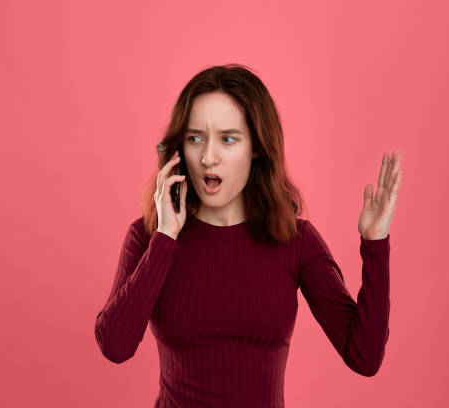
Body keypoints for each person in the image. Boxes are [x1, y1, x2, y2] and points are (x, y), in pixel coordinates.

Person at [94, 64, 403, 407]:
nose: (208, 158)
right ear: (179, 148)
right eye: (195, 138)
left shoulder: (294, 239)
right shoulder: (149, 235)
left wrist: (375, 243)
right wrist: (166, 237)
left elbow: (364, 356)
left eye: (228, 139)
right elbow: (115, 347)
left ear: (256, 147)